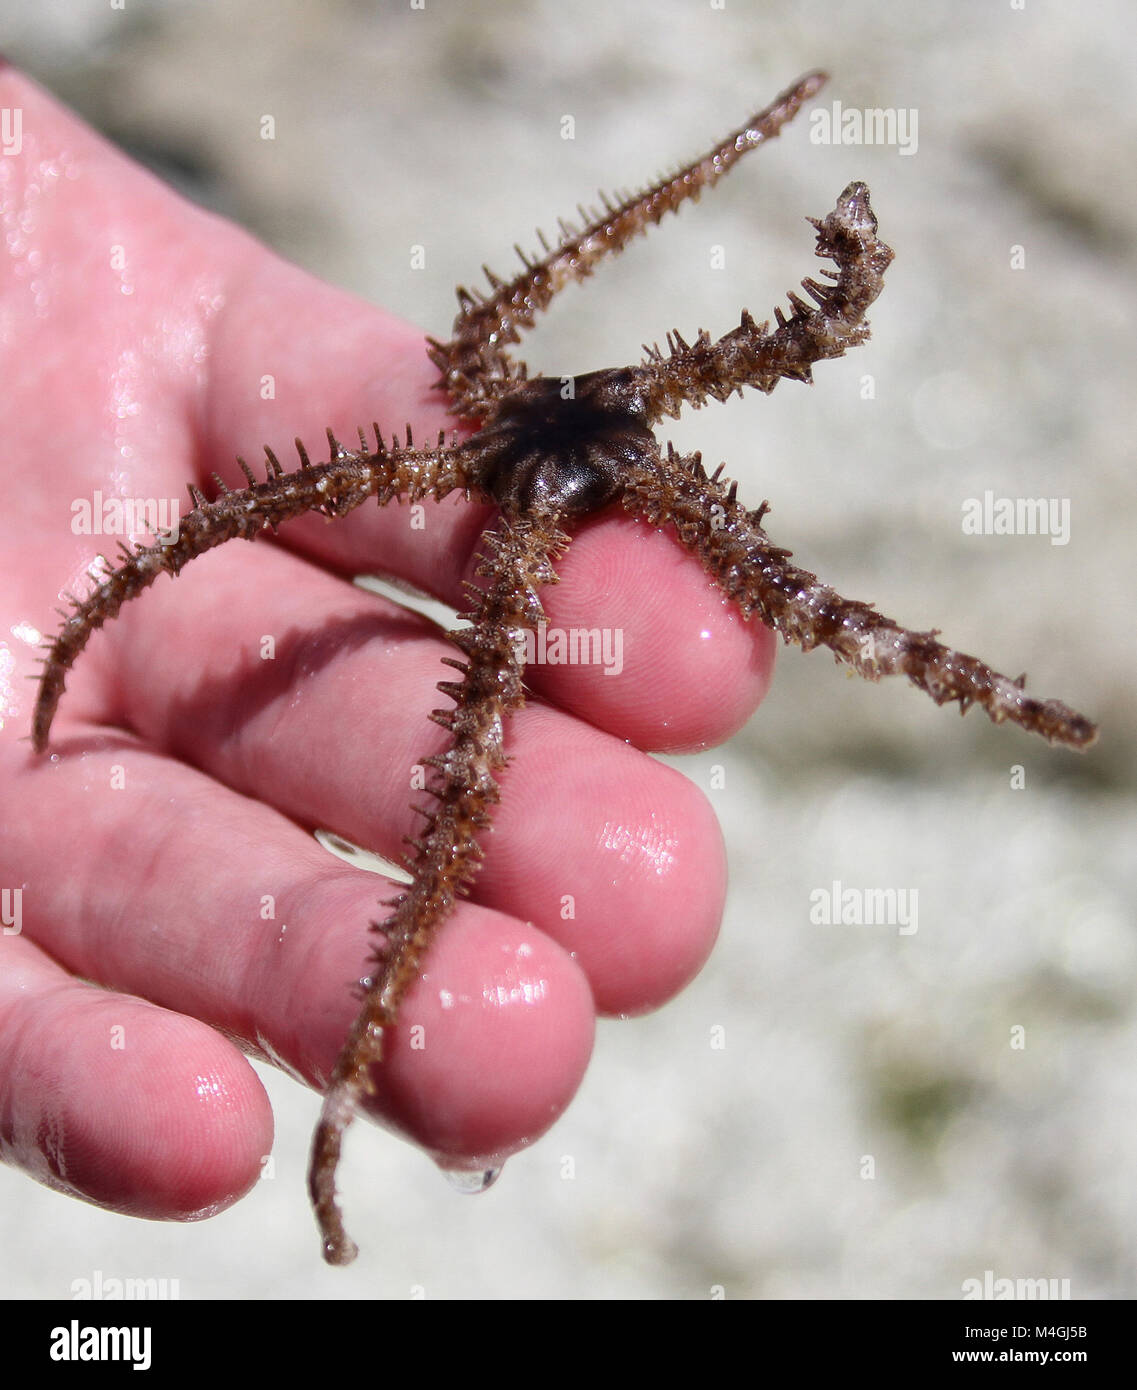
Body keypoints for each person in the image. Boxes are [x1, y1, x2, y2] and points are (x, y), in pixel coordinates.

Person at [0, 63, 772, 1225]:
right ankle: (348, 1106)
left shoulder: (554, 433)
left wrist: (806, 211)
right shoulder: (473, 415)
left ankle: (348, 1101)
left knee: (487, 784)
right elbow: (222, 516)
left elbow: (810, 592)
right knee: (455, 794)